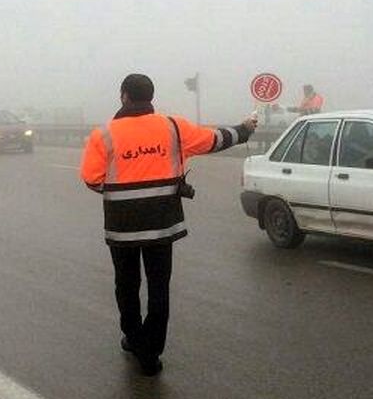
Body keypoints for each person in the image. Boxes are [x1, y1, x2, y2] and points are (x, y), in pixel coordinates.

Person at [80, 73, 257, 376]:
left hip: (123, 225)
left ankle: (134, 339)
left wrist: (121, 194)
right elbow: (215, 140)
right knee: (159, 287)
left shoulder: (104, 134)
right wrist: (245, 130)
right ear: (151, 97)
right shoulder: (173, 127)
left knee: (127, 284)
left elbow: (91, 178)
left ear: (123, 96)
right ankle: (151, 351)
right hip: (162, 223)